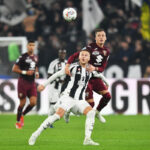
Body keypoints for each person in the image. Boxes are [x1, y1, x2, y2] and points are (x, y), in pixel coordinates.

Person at [28, 49, 108, 146]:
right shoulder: (73, 67)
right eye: (82, 55)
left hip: (80, 100)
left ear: (89, 58)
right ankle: (35, 134)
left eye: (86, 55)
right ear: (79, 57)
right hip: (68, 97)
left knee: (91, 113)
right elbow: (57, 74)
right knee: (57, 116)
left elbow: (99, 75)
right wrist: (44, 84)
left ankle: (87, 139)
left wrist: (106, 83)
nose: (83, 57)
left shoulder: (90, 69)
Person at [65, 29, 111, 123]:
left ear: (105, 38)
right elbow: (74, 56)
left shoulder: (106, 52)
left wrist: (95, 68)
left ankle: (97, 113)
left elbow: (102, 68)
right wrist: (67, 65)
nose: (101, 37)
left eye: (103, 35)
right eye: (99, 35)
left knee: (107, 96)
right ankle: (69, 109)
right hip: (86, 78)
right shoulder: (90, 47)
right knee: (91, 104)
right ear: (95, 38)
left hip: (96, 78)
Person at [12, 40, 39, 129]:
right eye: (30, 45)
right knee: (22, 103)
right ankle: (18, 121)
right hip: (23, 82)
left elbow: (35, 66)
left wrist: (37, 73)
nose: (31, 47)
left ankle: (22, 115)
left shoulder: (35, 57)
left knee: (33, 102)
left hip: (31, 83)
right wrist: (25, 72)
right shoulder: (22, 57)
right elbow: (14, 69)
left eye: (33, 45)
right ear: (27, 46)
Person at [47, 49, 67, 127]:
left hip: (63, 88)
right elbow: (49, 75)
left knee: (63, 103)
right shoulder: (53, 63)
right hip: (54, 87)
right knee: (53, 104)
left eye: (64, 53)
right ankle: (49, 121)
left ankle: (62, 116)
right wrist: (58, 79)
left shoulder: (67, 63)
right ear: (58, 54)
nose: (62, 55)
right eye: (61, 53)